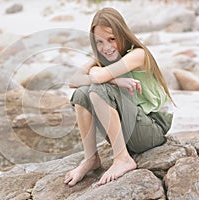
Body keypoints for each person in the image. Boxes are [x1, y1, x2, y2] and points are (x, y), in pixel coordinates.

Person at [64, 7, 174, 187]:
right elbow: (73, 81)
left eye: (112, 39)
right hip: (132, 126)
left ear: (123, 34)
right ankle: (91, 158)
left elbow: (98, 77)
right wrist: (115, 81)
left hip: (153, 127)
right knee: (82, 93)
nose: (106, 47)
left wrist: (98, 72)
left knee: (98, 89)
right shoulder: (104, 59)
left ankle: (123, 158)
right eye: (99, 41)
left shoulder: (138, 54)